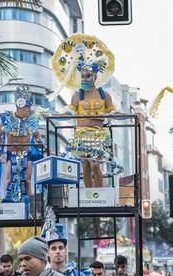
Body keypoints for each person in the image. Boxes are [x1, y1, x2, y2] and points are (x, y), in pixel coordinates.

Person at [51, 34, 118, 187]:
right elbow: (68, 113)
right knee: (85, 166)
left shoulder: (105, 95)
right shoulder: (77, 95)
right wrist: (53, 115)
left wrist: (123, 116)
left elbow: (113, 113)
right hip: (81, 135)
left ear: (95, 77)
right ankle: (89, 196)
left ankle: (100, 195)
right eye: (83, 76)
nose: (85, 79)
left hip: (98, 135)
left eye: (88, 76)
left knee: (95, 164)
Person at [0, 85, 43, 205]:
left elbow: (38, 137)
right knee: (7, 180)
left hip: (26, 155)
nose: (29, 110)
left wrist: (43, 146)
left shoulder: (32, 121)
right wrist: (1, 153)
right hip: (10, 155)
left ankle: (31, 205)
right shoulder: (6, 119)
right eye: (27, 107)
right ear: (20, 107)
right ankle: (5, 203)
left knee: (28, 180)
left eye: (29, 107)